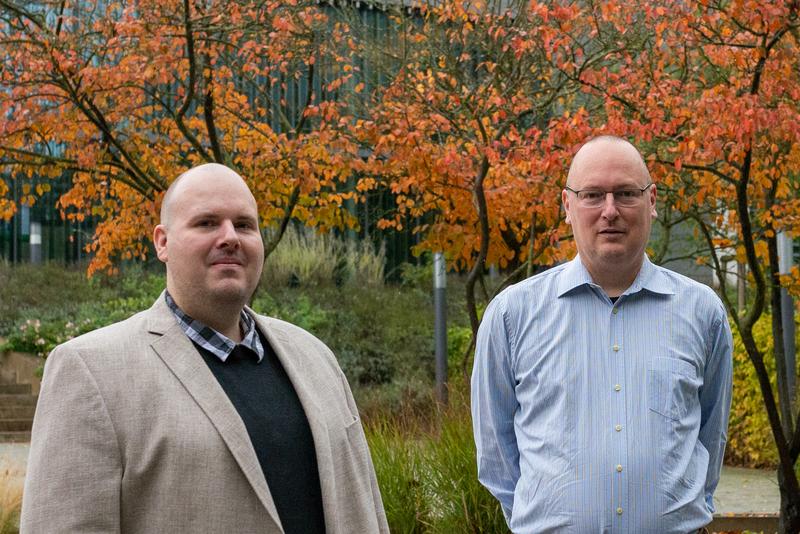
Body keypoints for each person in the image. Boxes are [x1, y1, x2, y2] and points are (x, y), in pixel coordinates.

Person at [21, 163, 389, 534]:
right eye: (207, 223)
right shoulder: (90, 371)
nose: (230, 237)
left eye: (244, 225)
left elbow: (366, 510)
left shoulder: (317, 359)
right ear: (162, 242)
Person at [471, 136, 732, 533]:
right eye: (592, 194)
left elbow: (710, 439)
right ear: (567, 205)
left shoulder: (702, 313)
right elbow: (495, 455)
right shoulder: (512, 315)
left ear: (652, 200)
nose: (610, 211)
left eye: (626, 193)